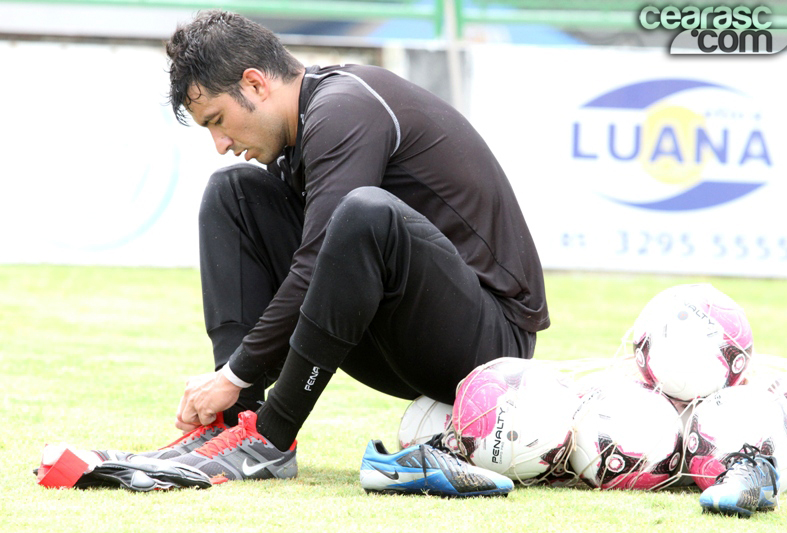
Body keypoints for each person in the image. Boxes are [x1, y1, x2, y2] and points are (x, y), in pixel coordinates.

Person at [160, 9, 549, 491]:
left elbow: (318, 258)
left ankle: (271, 437)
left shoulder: (343, 106)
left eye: (218, 121)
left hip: (489, 349)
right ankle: (233, 424)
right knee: (233, 192)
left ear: (256, 84)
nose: (220, 142)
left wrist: (236, 372)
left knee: (363, 213)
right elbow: (319, 268)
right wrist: (234, 384)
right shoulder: (298, 132)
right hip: (397, 335)